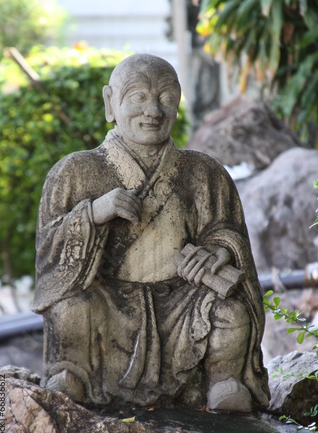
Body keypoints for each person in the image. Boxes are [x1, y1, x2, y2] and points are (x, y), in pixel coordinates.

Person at [32, 54, 270, 412]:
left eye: (167, 98)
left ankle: (222, 377)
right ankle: (74, 371)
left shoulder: (205, 173)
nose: (154, 111)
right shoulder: (76, 171)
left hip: (182, 303)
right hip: (108, 304)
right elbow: (50, 255)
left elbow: (228, 233)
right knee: (70, 308)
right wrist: (94, 213)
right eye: (139, 98)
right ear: (110, 103)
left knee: (231, 311)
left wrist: (217, 253)